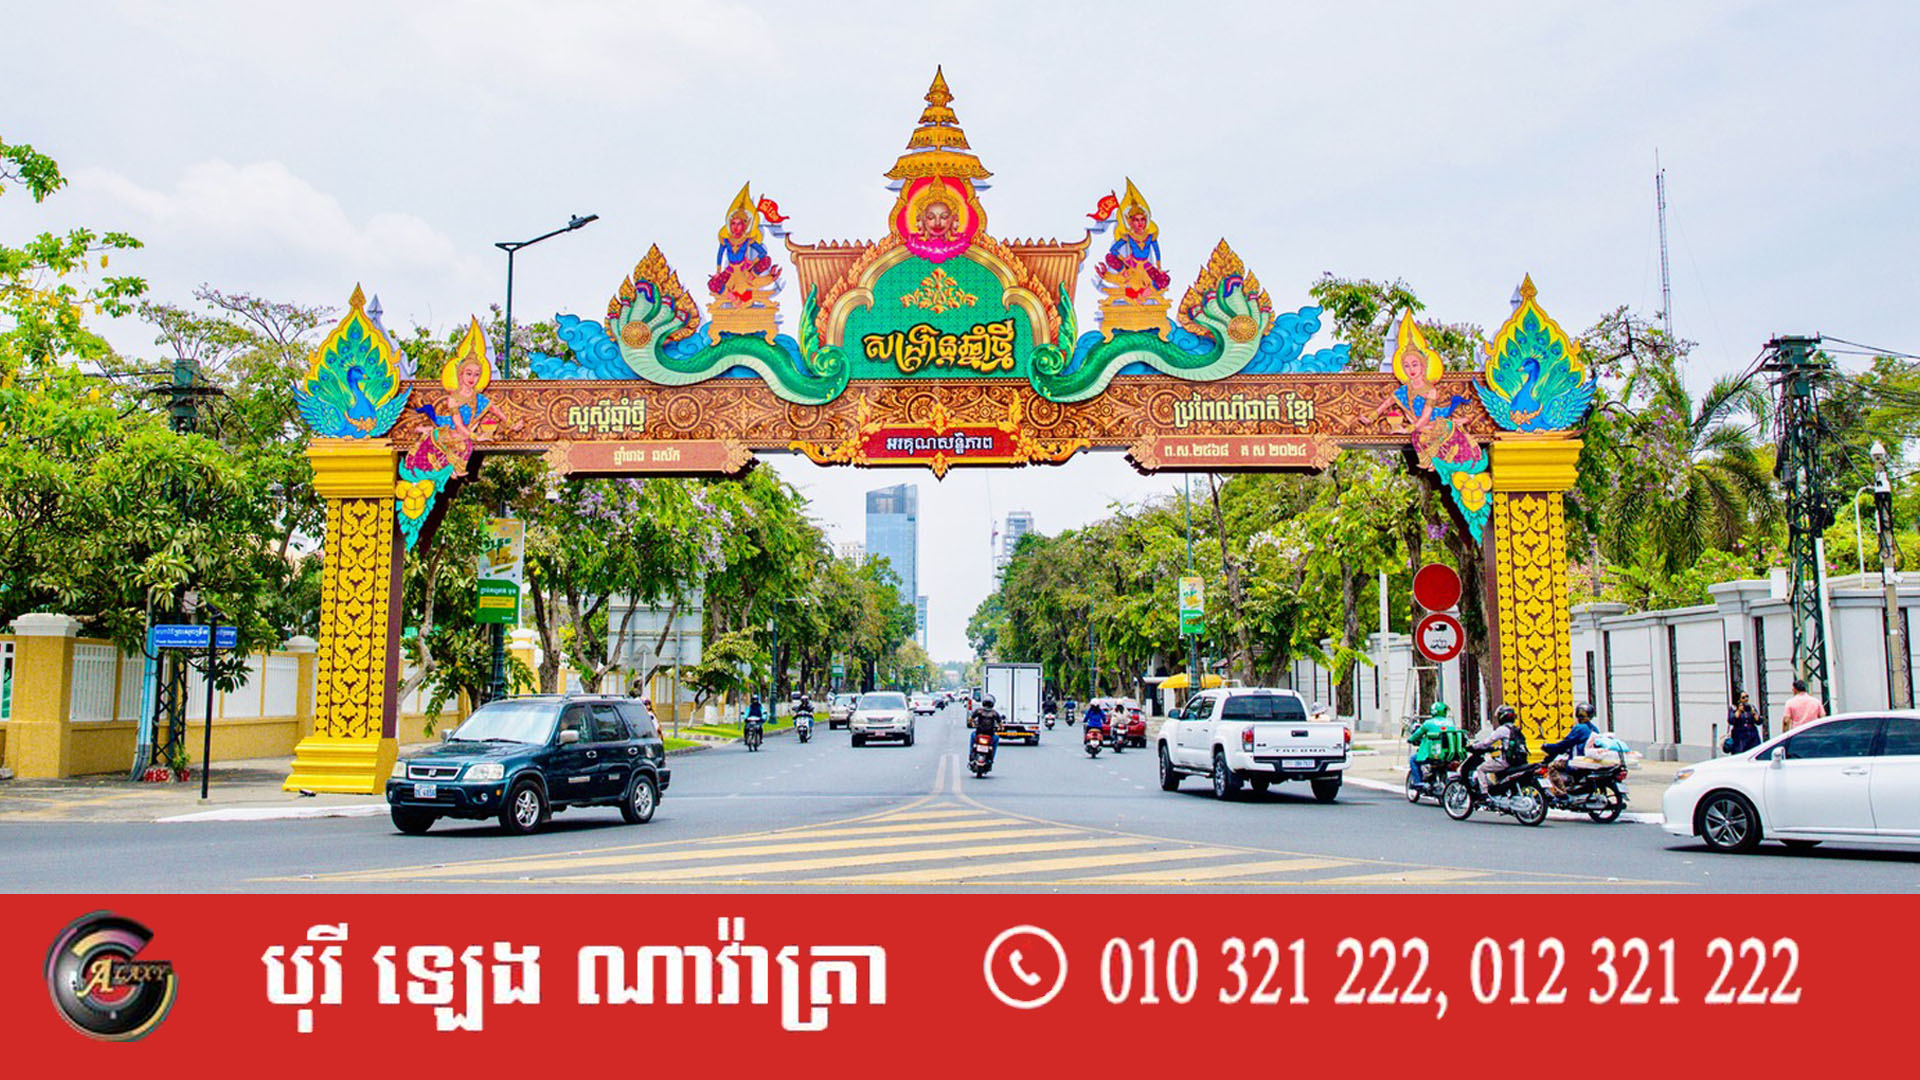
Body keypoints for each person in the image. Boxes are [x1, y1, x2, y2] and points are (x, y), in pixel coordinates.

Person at [1540, 703, 1600, 795]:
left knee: (1552, 766)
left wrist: (1549, 747)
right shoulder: (1594, 728)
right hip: (1589, 759)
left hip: (1578, 760)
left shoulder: (1580, 728)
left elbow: (1565, 744)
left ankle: (1561, 793)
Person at [1468, 704, 1528, 794]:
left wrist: (1473, 746)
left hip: (1506, 762)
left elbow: (1486, 743)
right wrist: (1498, 748)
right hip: (1519, 761)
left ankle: (1484, 793)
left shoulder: (1502, 729)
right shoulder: (1516, 729)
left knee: (1481, 769)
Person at [1407, 701, 1459, 790]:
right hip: (1449, 754)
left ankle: (1418, 782)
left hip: (1433, 753)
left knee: (1413, 760)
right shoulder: (1450, 723)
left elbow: (1417, 734)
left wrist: (1410, 739)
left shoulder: (1428, 723)